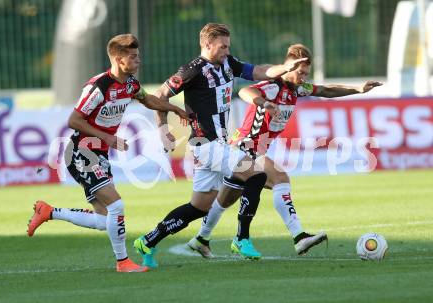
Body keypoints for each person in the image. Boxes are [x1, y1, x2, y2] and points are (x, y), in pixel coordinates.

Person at [133, 23, 309, 267]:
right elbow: (161, 95)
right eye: (223, 46)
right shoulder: (191, 70)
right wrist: (163, 129)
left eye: (228, 46)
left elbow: (259, 71)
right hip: (206, 144)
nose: (227, 50)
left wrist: (285, 68)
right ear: (207, 44)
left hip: (216, 145)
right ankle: (241, 238)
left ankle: (148, 240)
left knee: (199, 207)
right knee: (256, 175)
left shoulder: (228, 64)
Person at [187, 43, 382, 258]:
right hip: (245, 146)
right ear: (289, 68)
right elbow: (244, 90)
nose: (303, 78)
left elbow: (325, 90)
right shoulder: (273, 86)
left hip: (254, 149)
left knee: (227, 197)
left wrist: (357, 89)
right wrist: (264, 103)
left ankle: (201, 238)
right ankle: (298, 237)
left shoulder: (297, 89)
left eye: (305, 74)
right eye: (300, 72)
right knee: (279, 178)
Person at [27, 34, 189, 273]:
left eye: (138, 56)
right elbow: (74, 120)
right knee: (117, 205)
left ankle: (49, 212)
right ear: (118, 58)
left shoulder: (130, 84)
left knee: (105, 219)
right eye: (133, 57)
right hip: (82, 152)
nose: (138, 60)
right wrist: (108, 137)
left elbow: (149, 100)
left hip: (98, 155)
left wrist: (175, 108)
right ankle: (123, 262)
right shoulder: (98, 86)